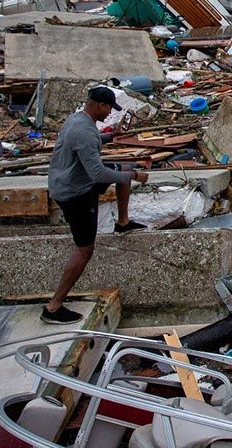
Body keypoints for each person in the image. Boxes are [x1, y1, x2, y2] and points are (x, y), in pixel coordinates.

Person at [41, 86, 148, 324]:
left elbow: (88, 144)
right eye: (109, 108)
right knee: (84, 249)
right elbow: (98, 174)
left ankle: (123, 222)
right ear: (99, 106)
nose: (110, 113)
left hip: (66, 181)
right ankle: (54, 306)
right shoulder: (85, 133)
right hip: (75, 193)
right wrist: (134, 177)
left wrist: (111, 136)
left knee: (123, 169)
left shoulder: (77, 120)